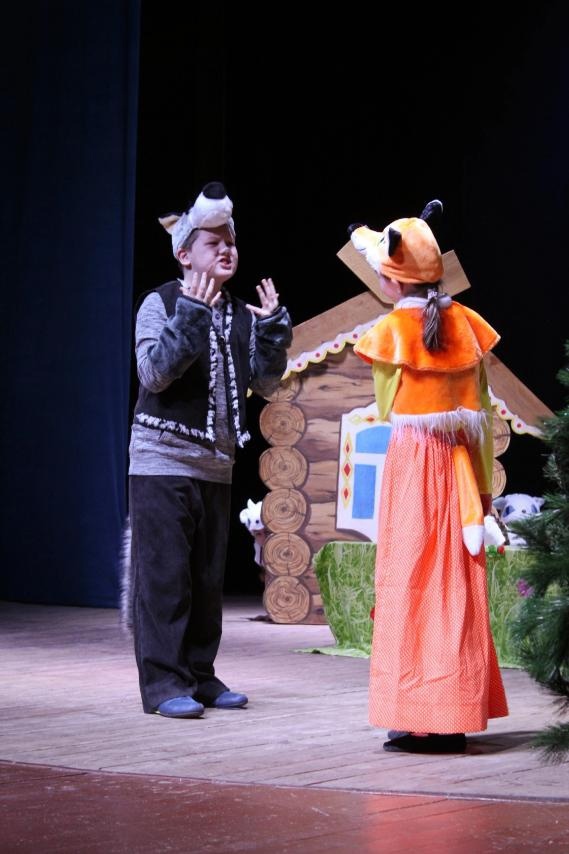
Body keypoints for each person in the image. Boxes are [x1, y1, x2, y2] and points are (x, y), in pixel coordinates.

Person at [128, 181, 292, 718]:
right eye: (213, 242)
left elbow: (266, 384)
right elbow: (154, 373)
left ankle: (199, 675)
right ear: (184, 253)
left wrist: (272, 335)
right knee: (165, 579)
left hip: (216, 466)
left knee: (204, 582)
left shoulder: (240, 313)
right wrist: (192, 315)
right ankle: (163, 683)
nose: (226, 249)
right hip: (161, 461)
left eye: (231, 242)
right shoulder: (160, 303)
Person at [349, 199, 509, 753]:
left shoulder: (393, 332)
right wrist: (482, 494)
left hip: (415, 470)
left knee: (408, 583)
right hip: (459, 467)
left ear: (392, 283)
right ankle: (451, 713)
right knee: (452, 588)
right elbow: (481, 420)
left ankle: (417, 714)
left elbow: (387, 406)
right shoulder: (466, 326)